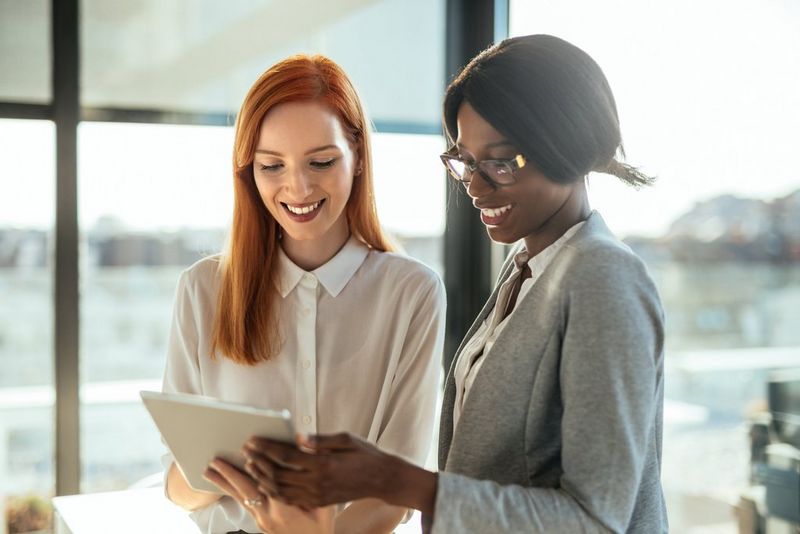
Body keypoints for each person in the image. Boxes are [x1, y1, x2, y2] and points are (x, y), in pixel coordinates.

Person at [240, 34, 669, 533]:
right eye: (465, 160)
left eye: (501, 161)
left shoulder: (602, 276)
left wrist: (399, 481)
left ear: (569, 146)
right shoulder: (526, 266)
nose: (475, 184)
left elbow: (596, 519)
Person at [160, 54, 446, 534]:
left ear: (357, 156)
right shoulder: (202, 289)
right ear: (249, 170)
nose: (297, 187)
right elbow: (176, 486)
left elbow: (397, 490)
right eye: (272, 165)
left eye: (321, 161)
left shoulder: (412, 293)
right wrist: (231, 473)